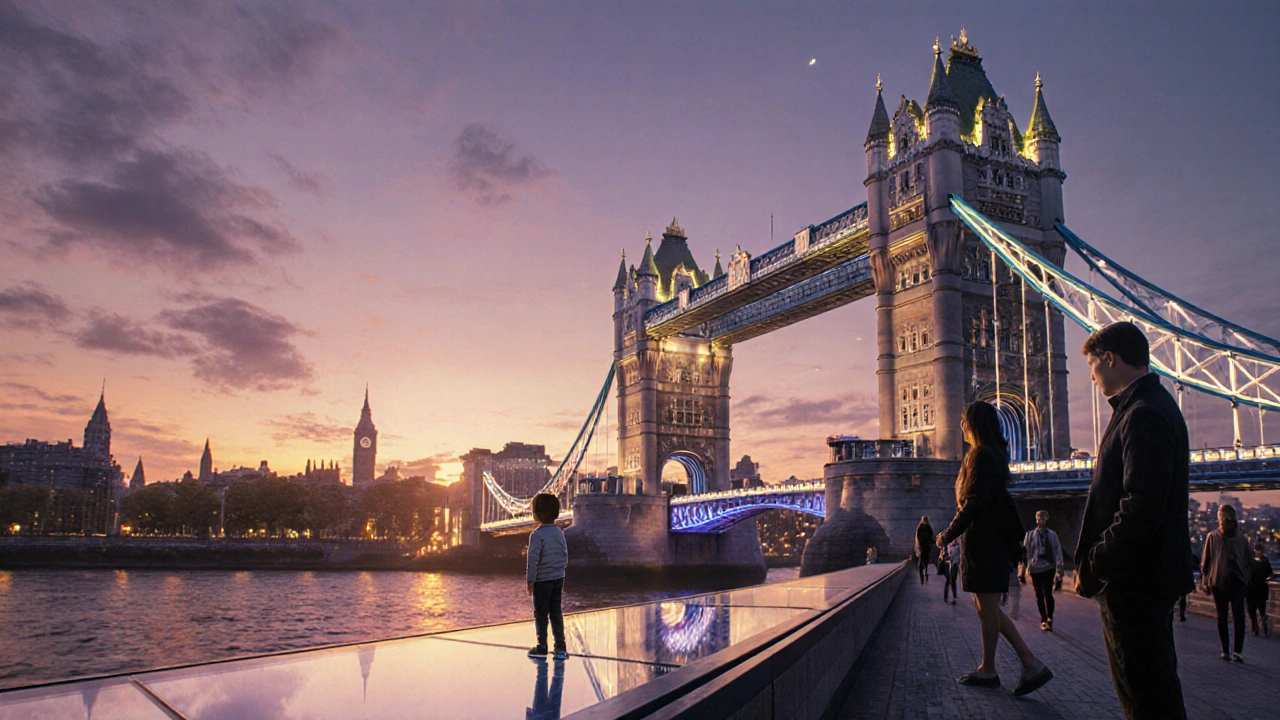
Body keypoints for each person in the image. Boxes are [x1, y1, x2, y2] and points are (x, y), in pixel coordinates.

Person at [1074, 321, 1195, 719]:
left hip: (1133, 582)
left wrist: (1097, 561)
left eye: (1093, 365)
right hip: (1141, 578)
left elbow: (1142, 504)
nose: (1091, 376)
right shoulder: (1148, 406)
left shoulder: (1142, 414)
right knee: (1152, 689)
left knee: (1145, 697)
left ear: (1110, 359)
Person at [937, 401, 1052, 696]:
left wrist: (949, 534)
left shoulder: (981, 456)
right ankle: (1017, 665)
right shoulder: (990, 454)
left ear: (974, 423)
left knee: (987, 609)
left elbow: (976, 502)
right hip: (985, 542)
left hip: (985, 543)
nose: (960, 424)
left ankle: (1006, 667)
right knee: (985, 608)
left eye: (964, 419)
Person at [1201, 504, 1251, 661]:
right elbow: (1206, 561)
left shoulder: (1242, 539)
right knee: (1223, 616)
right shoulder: (1213, 537)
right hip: (1219, 581)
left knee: (1237, 615)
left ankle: (1236, 651)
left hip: (1236, 581)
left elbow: (1248, 561)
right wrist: (1205, 580)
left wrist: (1246, 577)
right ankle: (1226, 650)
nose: (1224, 520)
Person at [526, 493, 569, 659]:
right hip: (558, 578)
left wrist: (530, 581)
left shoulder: (536, 536)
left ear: (536, 513)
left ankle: (542, 646)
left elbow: (532, 561)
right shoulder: (559, 532)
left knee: (541, 614)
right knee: (556, 612)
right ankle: (560, 648)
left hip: (542, 580)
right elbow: (564, 554)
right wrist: (559, 570)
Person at [1020, 510, 1064, 631]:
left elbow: (1057, 551)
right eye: (1039, 517)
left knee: (1048, 594)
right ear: (1036, 519)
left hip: (1049, 567)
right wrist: (1022, 572)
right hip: (1035, 569)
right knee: (1039, 595)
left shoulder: (1052, 535)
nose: (1040, 520)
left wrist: (1059, 571)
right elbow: (1025, 555)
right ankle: (1043, 619)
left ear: (1047, 519)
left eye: (1043, 517)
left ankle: (1049, 617)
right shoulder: (1029, 536)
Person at [1247, 542, 1273, 636]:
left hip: (1255, 588)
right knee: (1254, 608)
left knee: (1256, 608)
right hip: (1257, 588)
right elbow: (1270, 573)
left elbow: (1270, 573)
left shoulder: (1253, 561)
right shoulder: (1263, 561)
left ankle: (1257, 626)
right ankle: (1257, 625)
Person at [915, 516, 934, 584]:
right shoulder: (921, 528)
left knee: (925, 561)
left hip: (926, 547)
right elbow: (917, 538)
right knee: (922, 562)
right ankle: (922, 576)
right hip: (923, 546)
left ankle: (924, 574)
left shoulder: (927, 528)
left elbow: (931, 536)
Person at [943, 538, 961, 604]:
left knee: (952, 581)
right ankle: (946, 597)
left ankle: (954, 598)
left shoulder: (958, 547)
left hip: (954, 565)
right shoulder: (948, 546)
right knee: (948, 581)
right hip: (949, 565)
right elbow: (945, 555)